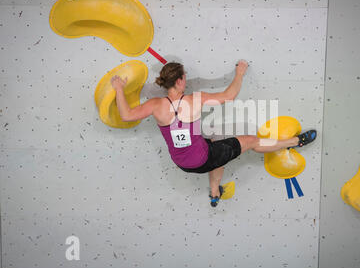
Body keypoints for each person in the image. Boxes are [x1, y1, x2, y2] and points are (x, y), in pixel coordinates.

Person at [111, 60, 317, 207]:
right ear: (181, 81)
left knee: (214, 144)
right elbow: (229, 95)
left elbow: (126, 115)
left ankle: (214, 193)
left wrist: (119, 88)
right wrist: (240, 73)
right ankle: (295, 141)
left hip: (182, 164)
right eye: (185, 78)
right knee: (251, 141)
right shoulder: (194, 100)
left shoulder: (155, 105)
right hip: (203, 158)